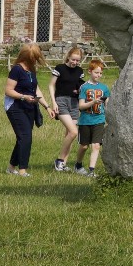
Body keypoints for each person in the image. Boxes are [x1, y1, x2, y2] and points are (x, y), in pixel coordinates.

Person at [3, 43, 45, 176]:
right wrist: (23, 97)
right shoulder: (17, 69)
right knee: (26, 137)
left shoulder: (32, 70)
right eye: (32, 58)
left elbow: (36, 89)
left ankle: (10, 168)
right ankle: (22, 170)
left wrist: (47, 106)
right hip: (16, 107)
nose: (34, 61)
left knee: (22, 137)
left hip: (30, 107)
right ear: (26, 57)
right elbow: (8, 90)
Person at [49, 45, 86, 173]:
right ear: (68, 57)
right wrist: (54, 103)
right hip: (61, 101)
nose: (75, 62)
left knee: (69, 134)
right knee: (74, 132)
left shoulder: (80, 71)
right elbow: (51, 85)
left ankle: (63, 164)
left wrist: (79, 90)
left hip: (74, 103)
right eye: (73, 59)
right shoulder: (60, 68)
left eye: (77, 60)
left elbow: (80, 86)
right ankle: (59, 160)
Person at [74, 58, 111, 177]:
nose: (98, 75)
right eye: (96, 72)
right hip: (85, 120)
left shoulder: (104, 88)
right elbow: (81, 106)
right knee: (84, 146)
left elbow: (107, 104)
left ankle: (91, 171)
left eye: (100, 73)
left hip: (99, 120)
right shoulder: (84, 87)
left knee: (96, 145)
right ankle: (78, 165)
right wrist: (93, 102)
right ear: (90, 71)